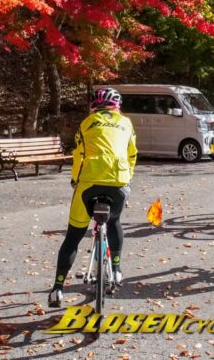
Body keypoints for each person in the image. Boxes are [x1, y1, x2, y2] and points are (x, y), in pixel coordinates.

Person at [48, 87, 137, 308]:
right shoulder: (126, 123)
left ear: (94, 106)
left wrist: (74, 181)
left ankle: (57, 289)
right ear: (117, 106)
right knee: (114, 221)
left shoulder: (86, 124)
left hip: (88, 183)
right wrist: (127, 179)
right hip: (118, 182)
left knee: (73, 236)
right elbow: (132, 154)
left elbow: (79, 155)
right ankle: (116, 270)